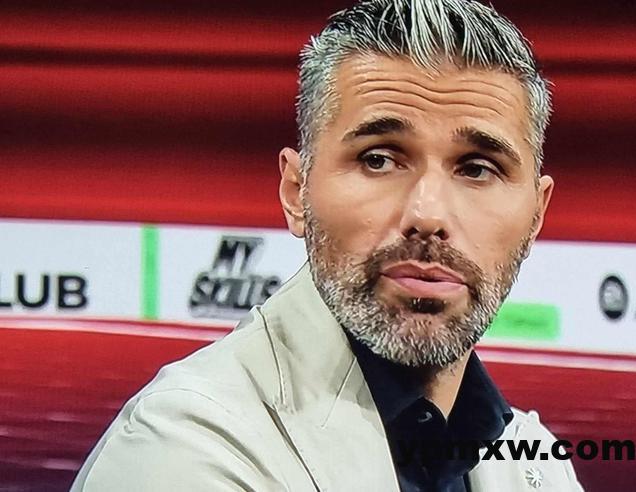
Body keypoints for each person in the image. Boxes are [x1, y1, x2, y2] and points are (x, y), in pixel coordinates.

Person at [72, 0, 584, 490]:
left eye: (477, 169)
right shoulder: (184, 449)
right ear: (296, 192)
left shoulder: (535, 461)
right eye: (379, 159)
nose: (427, 214)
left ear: (536, 216)